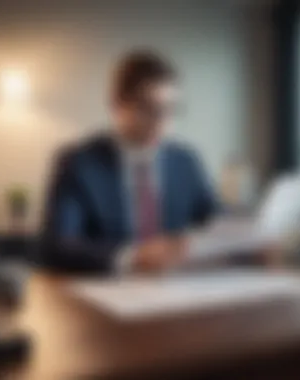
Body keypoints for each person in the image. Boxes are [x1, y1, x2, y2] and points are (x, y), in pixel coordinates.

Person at [40, 50, 218, 274]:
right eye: (148, 109)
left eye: (170, 109)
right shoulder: (78, 163)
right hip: (106, 292)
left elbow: (215, 224)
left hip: (178, 290)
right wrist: (133, 257)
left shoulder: (185, 161)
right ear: (117, 104)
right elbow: (57, 247)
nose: (161, 122)